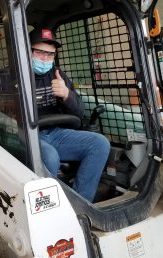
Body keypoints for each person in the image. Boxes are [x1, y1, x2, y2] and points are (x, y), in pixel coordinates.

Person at [30, 28, 110, 202]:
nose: (45, 59)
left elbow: (79, 113)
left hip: (55, 132)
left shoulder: (57, 75)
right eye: (40, 53)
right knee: (50, 157)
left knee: (100, 144)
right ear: (27, 51)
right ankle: (51, 208)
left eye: (50, 55)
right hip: (28, 135)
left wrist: (67, 95)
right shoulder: (10, 76)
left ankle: (81, 204)